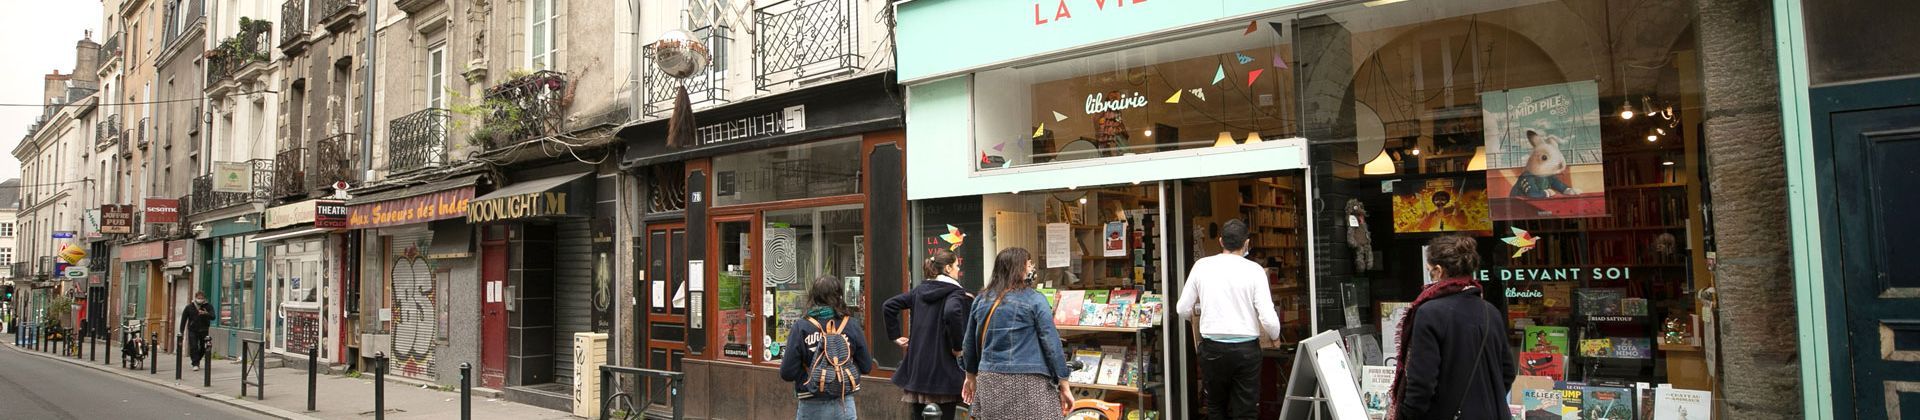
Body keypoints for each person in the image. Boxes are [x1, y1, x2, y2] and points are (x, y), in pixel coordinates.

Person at [1389, 235, 1516, 420]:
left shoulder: (1429, 312)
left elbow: (1422, 384)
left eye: (1430, 271)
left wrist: (1407, 415)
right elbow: (1507, 372)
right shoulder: (1491, 312)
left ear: (1439, 271)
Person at [1175, 219, 1282, 420]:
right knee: (1246, 410)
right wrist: (1275, 336)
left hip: (1212, 349)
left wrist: (1199, 318)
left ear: (1221, 241)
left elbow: (1182, 309)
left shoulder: (1202, 266)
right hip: (1246, 350)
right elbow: (1267, 315)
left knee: (1216, 408)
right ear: (1247, 243)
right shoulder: (1255, 271)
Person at [961, 247, 1072, 419]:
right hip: (1030, 379)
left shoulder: (981, 300)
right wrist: (1063, 382)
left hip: (990, 378)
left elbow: (969, 343)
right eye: (1029, 264)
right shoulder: (1035, 299)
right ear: (1018, 268)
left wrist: (970, 376)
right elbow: (1051, 343)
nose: (1032, 268)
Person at [881, 248, 974, 419]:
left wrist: (895, 336)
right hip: (944, 373)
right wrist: (958, 347)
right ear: (947, 268)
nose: (958, 269)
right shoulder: (955, 293)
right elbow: (952, 312)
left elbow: (889, 305)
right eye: (956, 266)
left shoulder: (919, 291)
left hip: (918, 371)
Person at [779, 275, 874, 420]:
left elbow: (787, 373)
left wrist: (813, 377)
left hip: (811, 405)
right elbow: (867, 366)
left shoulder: (801, 327)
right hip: (844, 404)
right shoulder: (852, 325)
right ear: (839, 296)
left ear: (813, 297)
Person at [181, 292, 215, 370]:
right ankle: (195, 364)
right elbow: (184, 320)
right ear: (196, 298)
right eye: (199, 298)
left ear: (204, 298)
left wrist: (206, 313)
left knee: (204, 347)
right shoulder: (189, 307)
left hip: (204, 330)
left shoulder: (208, 306)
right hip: (193, 330)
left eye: (202, 298)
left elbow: (213, 317)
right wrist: (181, 332)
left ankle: (197, 359)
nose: (200, 300)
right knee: (193, 346)